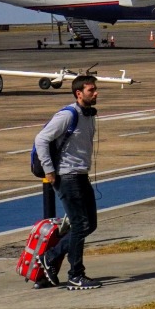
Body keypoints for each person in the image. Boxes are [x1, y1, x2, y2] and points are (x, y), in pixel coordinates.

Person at [34, 75, 101, 290]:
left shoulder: (89, 115)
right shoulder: (67, 115)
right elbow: (41, 139)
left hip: (80, 174)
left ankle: (50, 257)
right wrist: (49, 170)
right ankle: (75, 274)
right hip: (67, 176)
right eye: (91, 90)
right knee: (80, 224)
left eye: (95, 89)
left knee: (90, 224)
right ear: (78, 93)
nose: (96, 93)